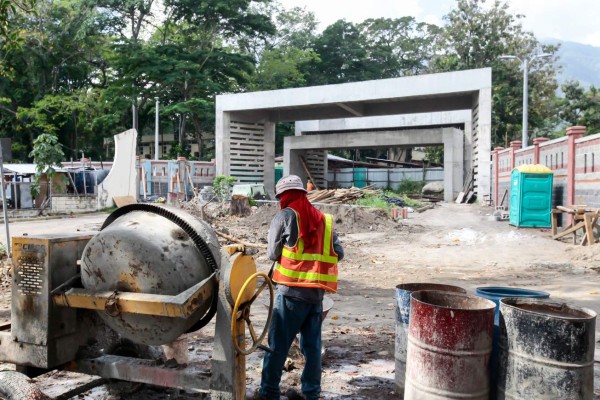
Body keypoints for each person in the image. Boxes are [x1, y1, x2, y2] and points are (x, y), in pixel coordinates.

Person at [258, 175, 343, 400]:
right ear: (303, 194)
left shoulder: (285, 216)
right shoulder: (325, 220)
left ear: (284, 196)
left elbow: (272, 254)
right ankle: (311, 393)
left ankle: (268, 392)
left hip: (290, 294)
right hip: (316, 295)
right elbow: (339, 253)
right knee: (312, 348)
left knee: (278, 345)